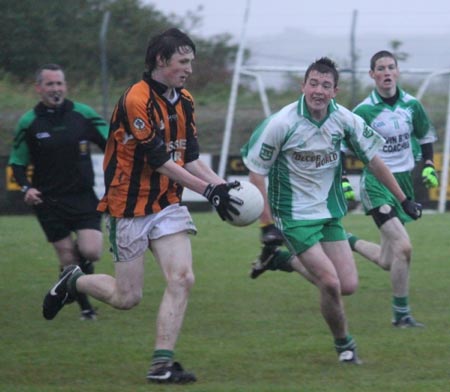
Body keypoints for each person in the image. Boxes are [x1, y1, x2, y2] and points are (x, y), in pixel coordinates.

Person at [41, 28, 241, 384]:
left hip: (166, 203)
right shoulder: (137, 99)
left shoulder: (187, 101)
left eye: (191, 62)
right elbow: (161, 159)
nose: (189, 69)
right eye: (183, 62)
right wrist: (208, 192)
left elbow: (189, 157)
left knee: (182, 278)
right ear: (161, 61)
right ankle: (75, 281)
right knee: (126, 297)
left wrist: (221, 185)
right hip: (128, 206)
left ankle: (161, 365)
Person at [241, 57, 423, 364]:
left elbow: (374, 160)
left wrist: (404, 199)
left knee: (348, 285)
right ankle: (346, 347)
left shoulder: (345, 120)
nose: (318, 90)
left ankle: (280, 259)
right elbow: (256, 174)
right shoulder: (281, 123)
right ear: (303, 86)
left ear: (335, 91)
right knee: (329, 282)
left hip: (328, 212)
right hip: (294, 216)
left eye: (326, 85)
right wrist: (266, 226)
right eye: (313, 83)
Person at [345, 50, 438, 328]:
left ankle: (348, 240)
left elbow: (425, 136)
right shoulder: (363, 111)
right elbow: (342, 146)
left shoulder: (412, 105)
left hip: (404, 183)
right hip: (376, 186)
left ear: (397, 72)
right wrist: (342, 180)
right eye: (380, 69)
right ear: (372, 75)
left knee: (389, 260)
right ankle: (401, 316)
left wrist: (430, 164)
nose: (386, 72)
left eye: (390, 67)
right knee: (404, 248)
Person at [9, 63, 108, 320]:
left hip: (83, 196)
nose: (56, 88)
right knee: (67, 255)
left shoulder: (82, 114)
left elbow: (112, 142)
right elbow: (17, 162)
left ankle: (68, 282)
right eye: (50, 84)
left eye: (59, 83)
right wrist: (26, 188)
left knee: (92, 251)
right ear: (39, 88)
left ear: (65, 86)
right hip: (48, 200)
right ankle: (86, 308)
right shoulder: (29, 122)